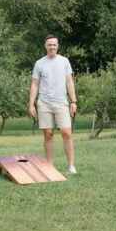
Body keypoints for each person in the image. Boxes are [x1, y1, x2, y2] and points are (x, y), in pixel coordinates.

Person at [28, 35, 78, 175]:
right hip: (44, 103)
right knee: (48, 134)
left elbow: (69, 82)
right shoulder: (39, 63)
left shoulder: (64, 61)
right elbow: (34, 84)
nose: (52, 47)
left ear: (58, 46)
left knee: (66, 133)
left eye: (54, 45)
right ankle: (50, 165)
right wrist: (31, 104)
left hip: (61, 102)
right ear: (45, 46)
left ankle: (71, 166)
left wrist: (73, 101)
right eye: (49, 45)